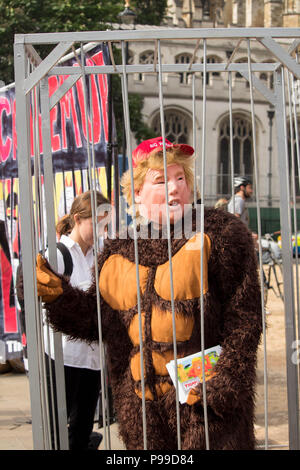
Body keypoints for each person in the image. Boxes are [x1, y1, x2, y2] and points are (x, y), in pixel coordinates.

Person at [35, 137, 262, 450]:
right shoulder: (116, 253)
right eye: (161, 180)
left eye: (181, 178)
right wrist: (58, 296)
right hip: (143, 412)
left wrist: (224, 386)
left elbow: (245, 319)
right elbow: (100, 322)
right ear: (138, 192)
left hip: (207, 409)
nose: (174, 188)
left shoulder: (220, 233)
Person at [21, 190, 109, 450]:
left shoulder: (101, 254)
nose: (102, 228)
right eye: (97, 221)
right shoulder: (57, 253)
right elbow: (26, 285)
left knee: (83, 429)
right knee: (56, 431)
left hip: (93, 357)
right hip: (62, 356)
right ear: (77, 219)